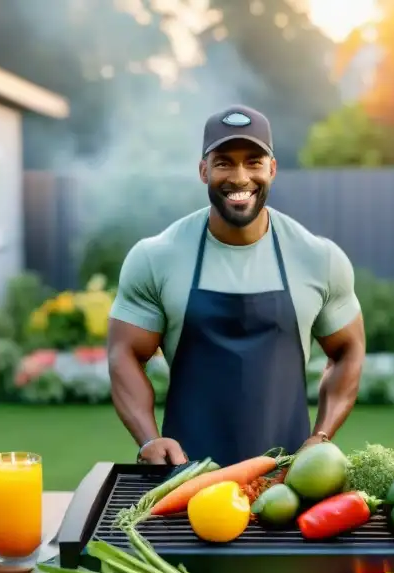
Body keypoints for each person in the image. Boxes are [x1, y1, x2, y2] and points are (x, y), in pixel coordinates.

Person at [107, 104, 366, 467]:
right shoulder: (156, 257)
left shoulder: (318, 258)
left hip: (287, 484)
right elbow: (124, 353)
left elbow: (348, 350)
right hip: (185, 479)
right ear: (203, 171)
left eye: (254, 161)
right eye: (224, 162)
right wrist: (149, 438)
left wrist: (321, 436)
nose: (240, 177)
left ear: (272, 169)